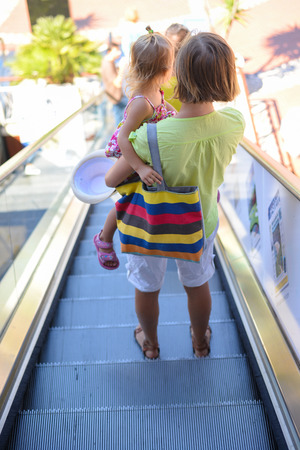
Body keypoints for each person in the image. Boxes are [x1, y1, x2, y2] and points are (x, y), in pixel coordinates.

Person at [105, 32, 246, 359]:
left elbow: (112, 179)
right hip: (199, 220)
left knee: (147, 286)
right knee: (197, 284)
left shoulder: (152, 135)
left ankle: (151, 344)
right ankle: (200, 342)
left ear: (177, 75)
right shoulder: (234, 123)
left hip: (150, 226)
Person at [93, 27, 176, 270]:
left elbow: (165, 105)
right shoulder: (141, 102)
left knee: (133, 200)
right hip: (132, 153)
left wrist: (176, 115)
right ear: (163, 70)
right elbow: (124, 138)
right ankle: (103, 239)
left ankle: (109, 237)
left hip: (143, 151)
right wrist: (138, 167)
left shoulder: (155, 90)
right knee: (114, 185)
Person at [162, 23, 190, 111]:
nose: (176, 49)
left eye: (181, 45)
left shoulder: (194, 68)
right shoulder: (157, 68)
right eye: (172, 45)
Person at [101, 39, 128, 127]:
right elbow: (117, 83)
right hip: (117, 99)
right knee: (121, 126)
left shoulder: (109, 62)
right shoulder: (107, 64)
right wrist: (121, 68)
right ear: (109, 52)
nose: (119, 53)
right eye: (116, 50)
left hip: (117, 98)